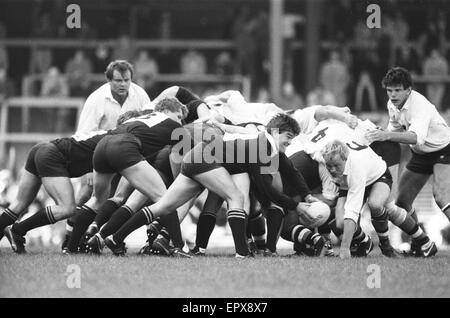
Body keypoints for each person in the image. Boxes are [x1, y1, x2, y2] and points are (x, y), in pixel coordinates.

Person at [103, 114, 317, 258]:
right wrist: (295, 205)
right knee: (236, 198)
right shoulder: (262, 146)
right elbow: (267, 190)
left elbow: (291, 170)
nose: (289, 142)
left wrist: (307, 197)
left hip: (197, 156)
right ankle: (242, 254)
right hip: (204, 157)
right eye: (288, 137)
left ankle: (115, 238)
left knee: (164, 206)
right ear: (276, 131)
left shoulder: (266, 144)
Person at [62, 60, 151, 250]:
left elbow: (150, 124)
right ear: (108, 80)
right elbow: (84, 134)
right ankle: (69, 236)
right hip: (99, 152)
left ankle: (103, 238)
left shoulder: (140, 95)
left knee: (127, 194)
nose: (123, 84)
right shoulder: (96, 99)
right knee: (88, 191)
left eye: (126, 80)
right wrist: (88, 169)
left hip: (128, 153)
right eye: (118, 80)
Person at [365, 66, 450, 257]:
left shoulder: (419, 105)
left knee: (442, 197)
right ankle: (422, 245)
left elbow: (414, 137)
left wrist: (385, 135)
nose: (393, 94)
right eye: (389, 90)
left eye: (397, 90)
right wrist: (377, 135)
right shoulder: (392, 104)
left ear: (408, 90)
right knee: (402, 202)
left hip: (444, 150)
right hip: (421, 154)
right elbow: (393, 131)